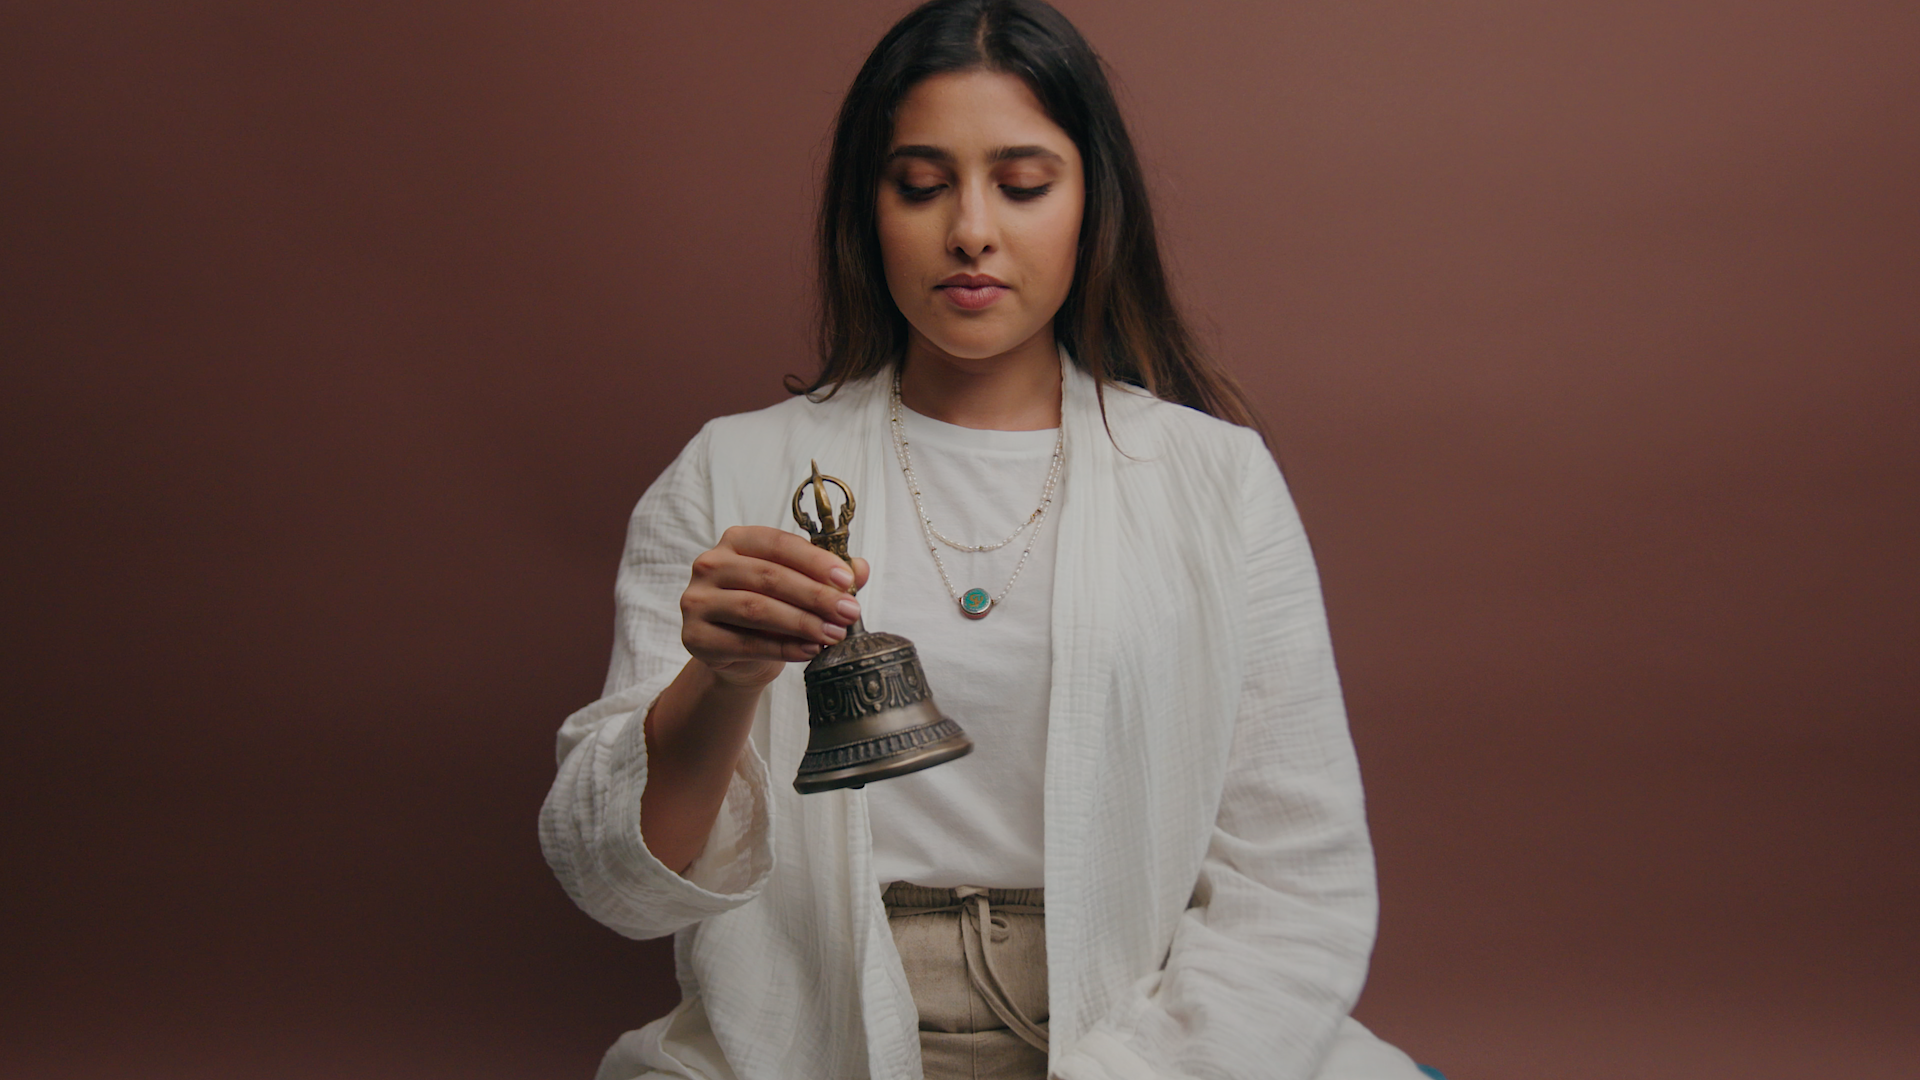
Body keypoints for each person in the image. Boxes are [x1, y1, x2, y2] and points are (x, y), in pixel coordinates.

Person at [541, 2, 1432, 1077]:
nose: (971, 228)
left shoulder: (1214, 481)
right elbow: (615, 885)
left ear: (1091, 205)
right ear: (867, 211)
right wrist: (720, 682)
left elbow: (1298, 877)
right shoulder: (734, 474)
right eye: (920, 185)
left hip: (1137, 1023)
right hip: (816, 1033)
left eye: (1022, 184)